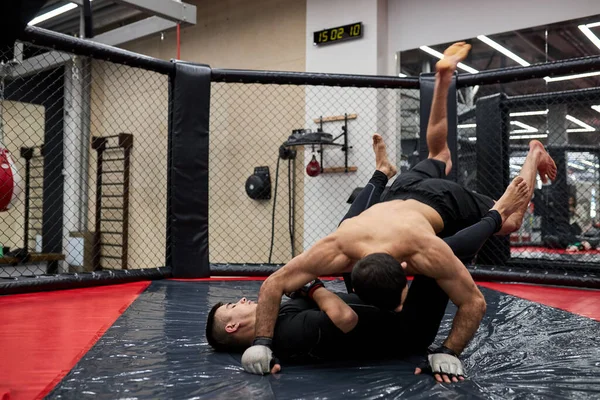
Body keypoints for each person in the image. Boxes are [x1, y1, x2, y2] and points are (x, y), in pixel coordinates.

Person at [240, 41, 558, 381]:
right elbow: (272, 284)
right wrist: (260, 341)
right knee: (440, 154)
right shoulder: (341, 243)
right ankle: (443, 77)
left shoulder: (407, 249)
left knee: (508, 220)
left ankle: (533, 154)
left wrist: (449, 351)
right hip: (396, 195)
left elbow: (475, 303)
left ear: (409, 268)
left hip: (437, 201)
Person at [209, 132, 526, 382]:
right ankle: (497, 213)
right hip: (407, 330)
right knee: (452, 250)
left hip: (375, 289)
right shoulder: (291, 335)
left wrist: (263, 342)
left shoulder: (341, 246)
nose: (239, 299)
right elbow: (474, 302)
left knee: (345, 229)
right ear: (234, 325)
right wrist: (448, 352)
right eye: (232, 306)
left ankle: (381, 172)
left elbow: (274, 282)